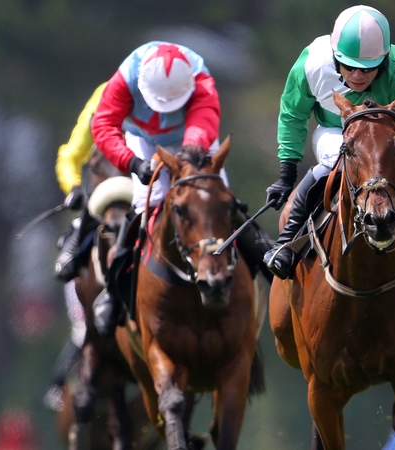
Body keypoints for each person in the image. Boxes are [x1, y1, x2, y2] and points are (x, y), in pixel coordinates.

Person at [262, 5, 395, 286]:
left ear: (383, 60)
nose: (357, 76)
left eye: (367, 69)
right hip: (337, 131)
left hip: (387, 135)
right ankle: (286, 242)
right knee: (333, 161)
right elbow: (293, 114)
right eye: (349, 66)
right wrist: (286, 172)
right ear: (334, 57)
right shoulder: (311, 62)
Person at [91, 41, 272, 336]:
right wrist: (134, 163)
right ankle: (113, 292)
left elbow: (202, 125)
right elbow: (103, 125)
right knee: (143, 204)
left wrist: (186, 167)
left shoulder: (200, 79)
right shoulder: (126, 77)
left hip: (192, 141)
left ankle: (270, 264)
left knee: (216, 197)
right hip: (143, 140)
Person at [45, 82, 111, 412]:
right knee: (76, 241)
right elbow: (70, 155)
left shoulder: (173, 100)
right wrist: (72, 186)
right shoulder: (103, 98)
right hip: (108, 199)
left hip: (152, 197)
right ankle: (60, 380)